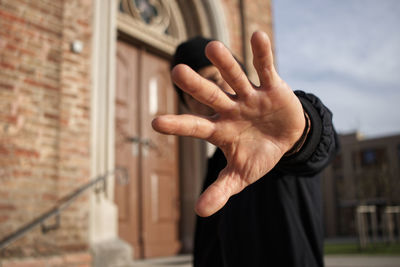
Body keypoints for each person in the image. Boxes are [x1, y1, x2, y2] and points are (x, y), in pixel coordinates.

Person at [152, 31, 338, 267]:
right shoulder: (215, 165)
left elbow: (325, 145)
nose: (210, 92)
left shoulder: (274, 133)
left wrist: (303, 132)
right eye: (193, 92)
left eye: (216, 78)